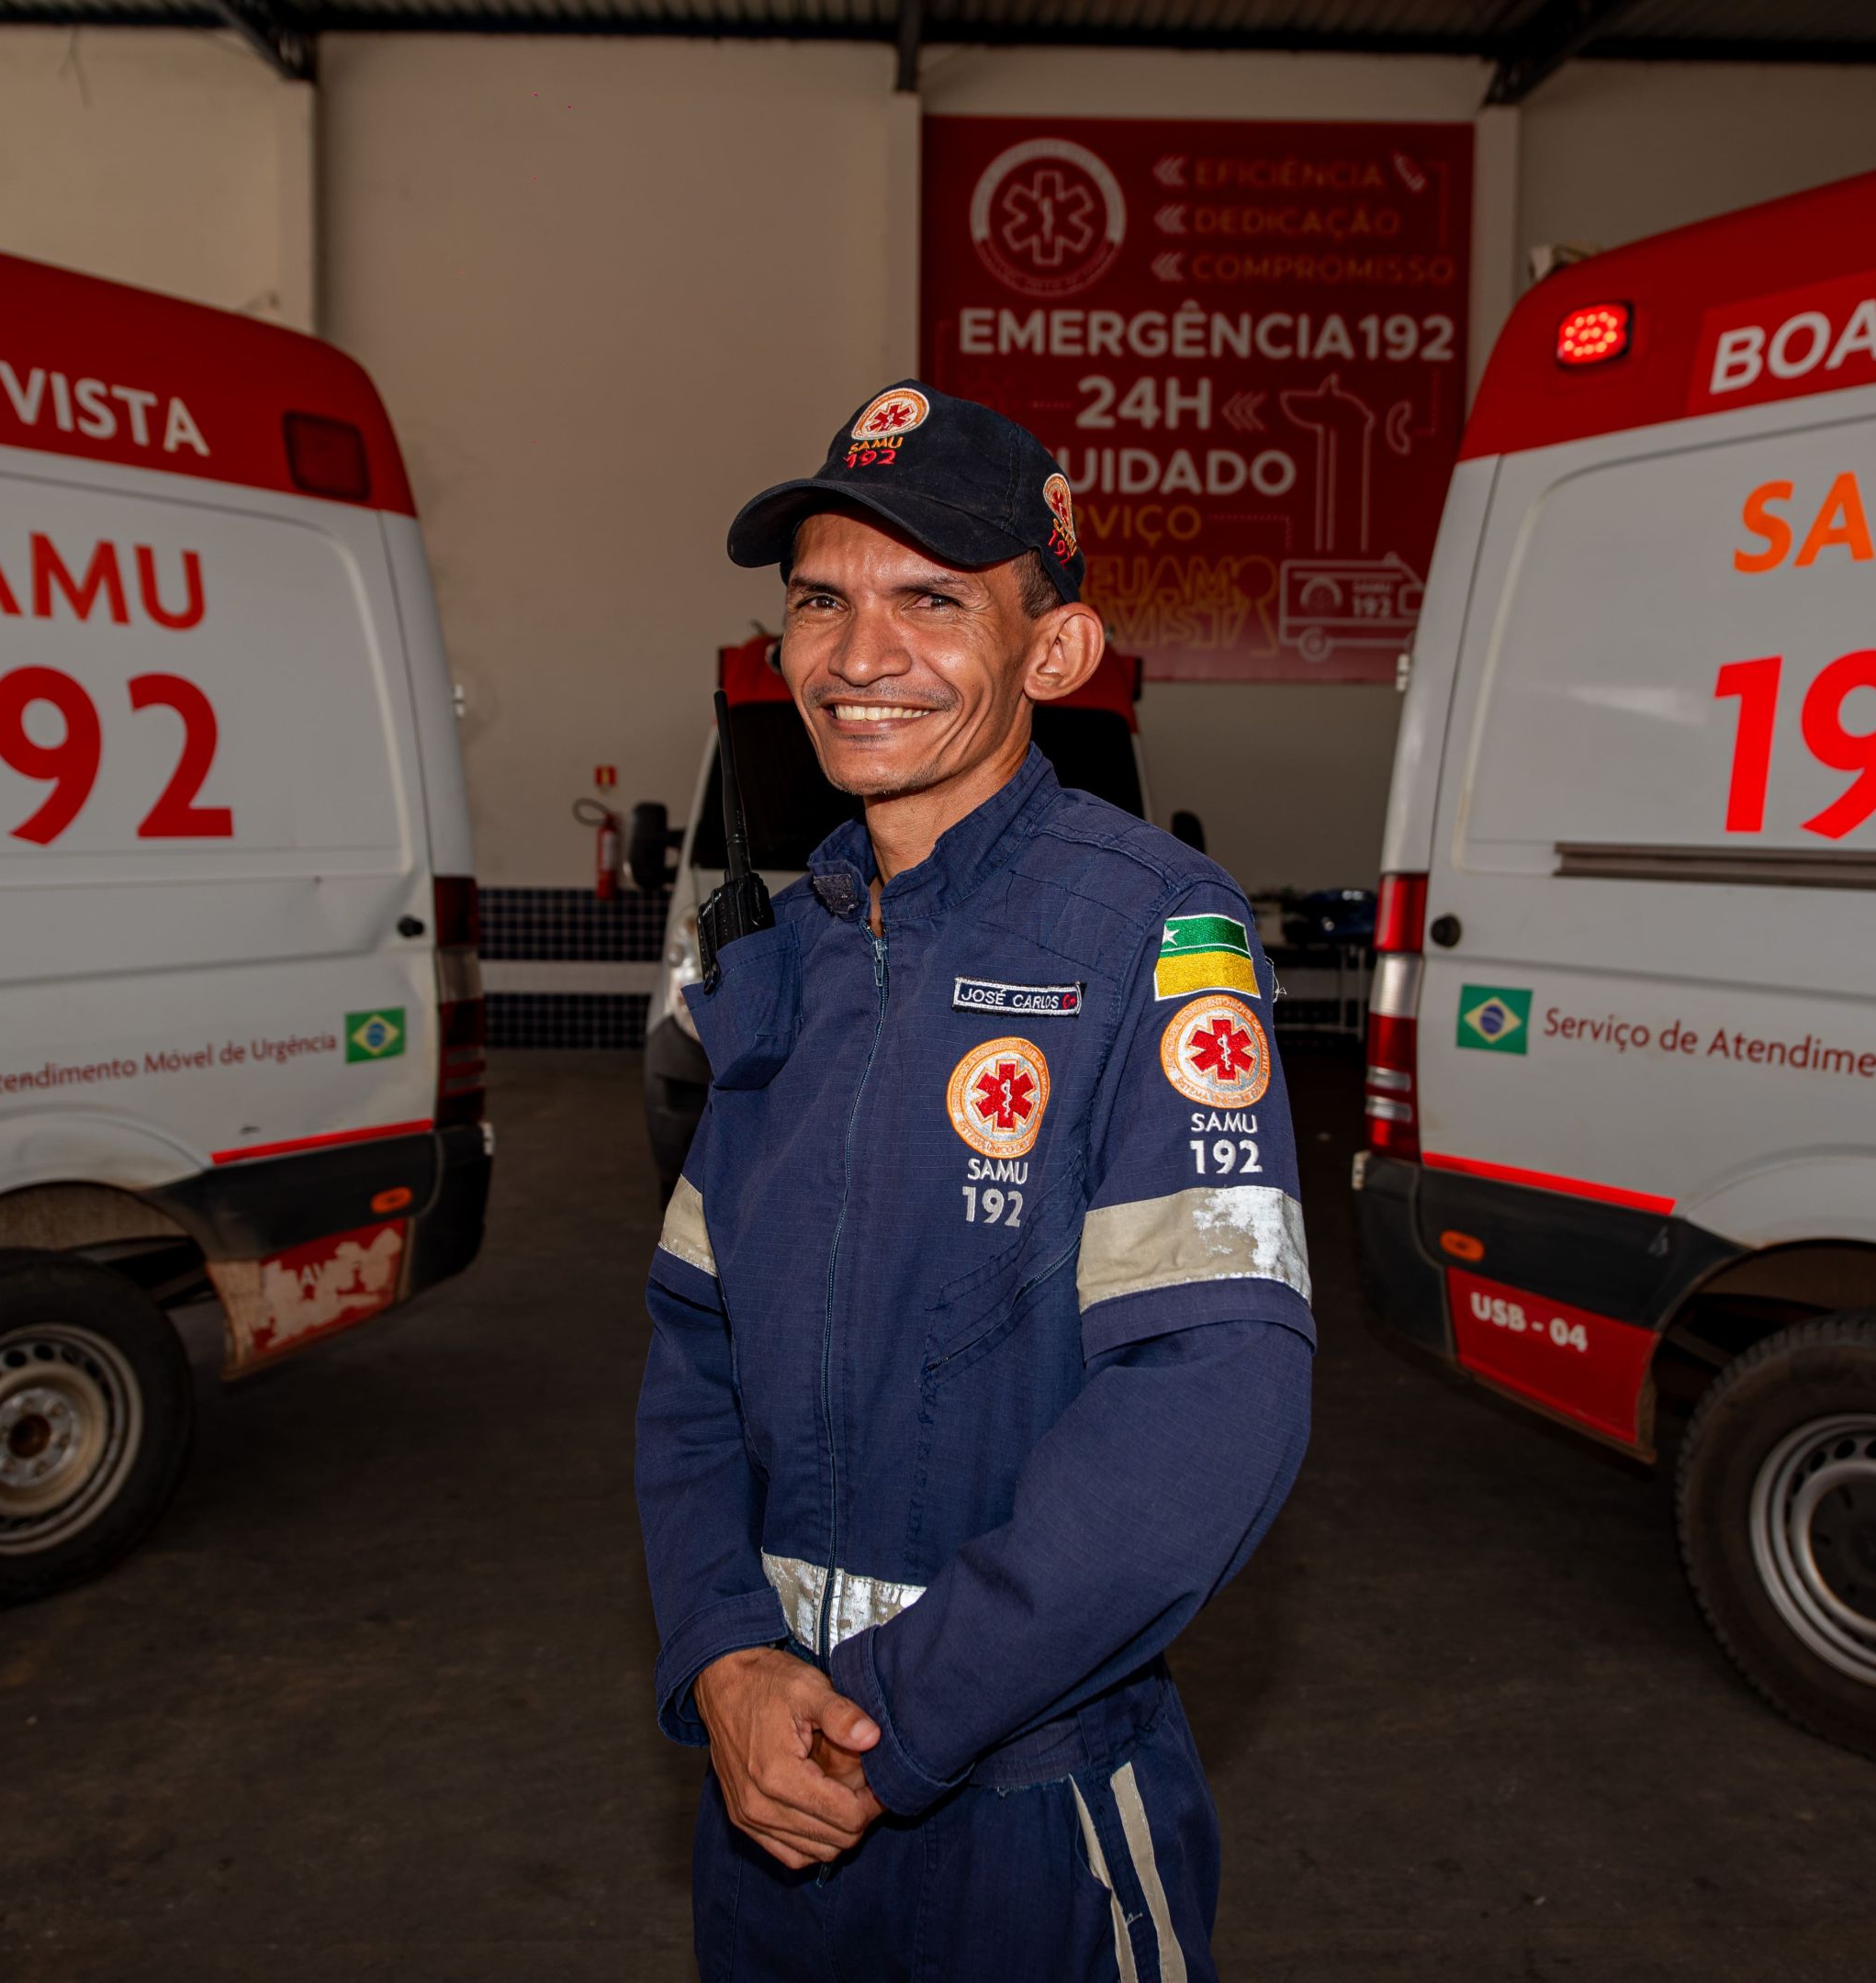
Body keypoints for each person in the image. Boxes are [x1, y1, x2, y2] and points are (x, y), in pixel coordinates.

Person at [636, 380, 1314, 1982]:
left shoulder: (1153, 938)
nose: (860, 656)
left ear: (1053, 654)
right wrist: (726, 1656)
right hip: (769, 1798)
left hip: (1025, 1807)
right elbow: (689, 1355)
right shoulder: (778, 962)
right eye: (822, 598)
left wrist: (900, 1724)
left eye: (932, 601)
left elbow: (1212, 1403)